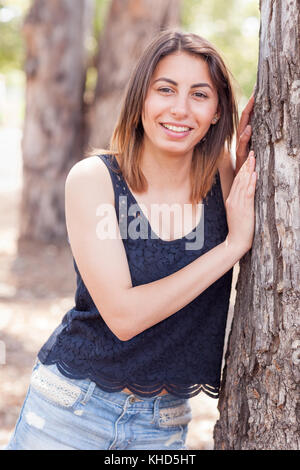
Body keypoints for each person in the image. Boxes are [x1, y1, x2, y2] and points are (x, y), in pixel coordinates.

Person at [6, 29, 256, 450]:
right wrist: (232, 247)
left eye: (200, 95)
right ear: (141, 97)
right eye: (165, 89)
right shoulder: (95, 179)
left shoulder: (224, 176)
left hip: (163, 425)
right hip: (71, 413)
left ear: (217, 111)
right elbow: (123, 317)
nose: (180, 109)